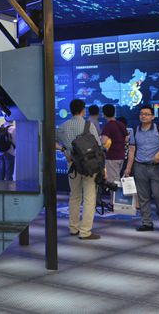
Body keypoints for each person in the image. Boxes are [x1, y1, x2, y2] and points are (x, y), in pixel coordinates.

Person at [56, 99, 101, 239]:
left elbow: (52, 140)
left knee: (74, 196)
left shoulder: (63, 126)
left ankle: (73, 228)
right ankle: (85, 231)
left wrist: (64, 151)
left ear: (71, 110)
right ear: (83, 110)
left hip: (73, 165)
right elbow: (98, 146)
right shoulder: (89, 125)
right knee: (89, 197)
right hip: (89, 166)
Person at [124, 105, 159, 232]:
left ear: (152, 116)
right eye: (141, 114)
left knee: (158, 194)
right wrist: (128, 168)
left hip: (156, 167)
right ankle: (147, 222)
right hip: (140, 166)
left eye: (147, 114)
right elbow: (132, 150)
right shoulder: (135, 130)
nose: (143, 116)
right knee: (143, 196)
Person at [100, 104, 127, 185]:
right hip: (121, 156)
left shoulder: (108, 125)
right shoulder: (121, 124)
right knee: (117, 178)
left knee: (113, 182)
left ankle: (115, 194)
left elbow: (103, 141)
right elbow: (126, 139)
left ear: (104, 114)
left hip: (112, 156)